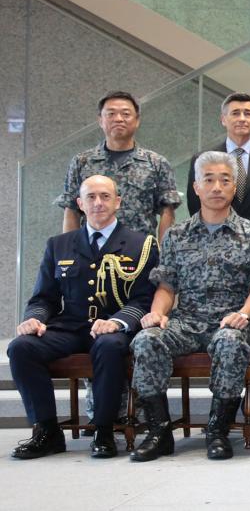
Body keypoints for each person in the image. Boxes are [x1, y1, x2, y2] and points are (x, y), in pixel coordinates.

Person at [129, 151, 250, 461]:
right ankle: (159, 431)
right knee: (146, 340)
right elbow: (167, 285)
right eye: (209, 180)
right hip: (187, 320)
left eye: (225, 180)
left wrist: (244, 314)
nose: (217, 187)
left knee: (230, 344)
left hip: (232, 319)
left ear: (234, 187)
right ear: (196, 187)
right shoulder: (176, 236)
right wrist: (158, 313)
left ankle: (218, 431)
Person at [9, 175, 157, 459]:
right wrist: (35, 318)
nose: (98, 203)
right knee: (21, 347)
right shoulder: (59, 244)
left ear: (118, 202)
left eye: (104, 196)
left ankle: (103, 430)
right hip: (70, 326)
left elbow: (144, 299)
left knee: (110, 346)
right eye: (91, 197)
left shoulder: (141, 244)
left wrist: (117, 321)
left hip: (114, 326)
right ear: (80, 203)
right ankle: (47, 431)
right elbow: (44, 297)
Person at [57, 90, 180, 238]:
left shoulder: (157, 163)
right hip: (93, 251)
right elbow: (71, 210)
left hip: (141, 254)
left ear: (137, 120)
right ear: (101, 120)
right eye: (111, 114)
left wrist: (163, 255)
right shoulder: (81, 162)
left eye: (126, 114)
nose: (119, 119)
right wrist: (70, 253)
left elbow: (167, 212)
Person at [187, 92, 250, 241]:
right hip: (214, 242)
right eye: (235, 113)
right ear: (223, 119)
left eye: (248, 114)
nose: (242, 119)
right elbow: (195, 205)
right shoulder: (202, 159)